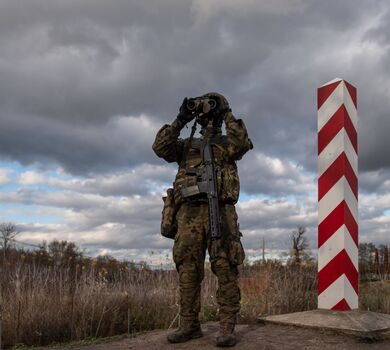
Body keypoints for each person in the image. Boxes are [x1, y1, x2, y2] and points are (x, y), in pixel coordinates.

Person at [152, 92, 252, 347]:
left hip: (220, 211)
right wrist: (181, 118)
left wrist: (226, 110)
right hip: (188, 215)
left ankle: (227, 328)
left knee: (225, 266)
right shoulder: (185, 146)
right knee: (187, 269)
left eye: (209, 108)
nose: (205, 114)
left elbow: (241, 143)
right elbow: (160, 147)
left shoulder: (226, 143)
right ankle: (189, 325)